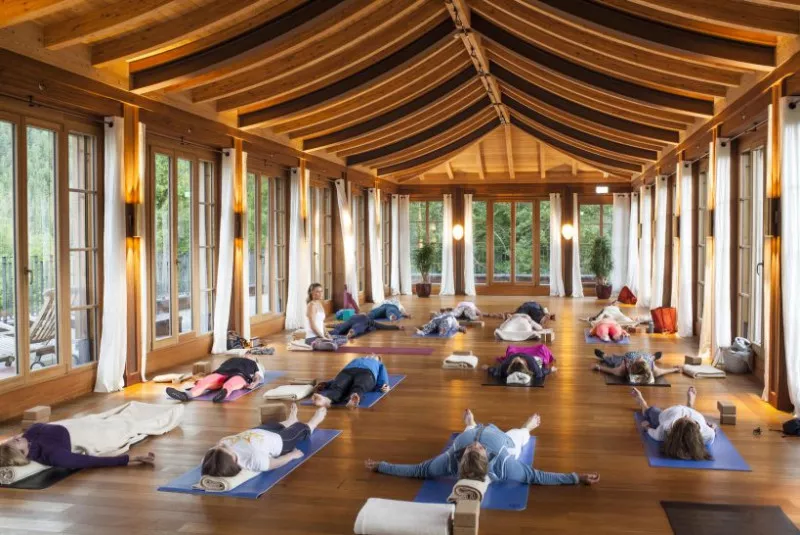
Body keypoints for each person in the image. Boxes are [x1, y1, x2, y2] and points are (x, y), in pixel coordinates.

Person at [365, 409, 599, 486]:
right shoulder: (505, 465)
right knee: (519, 435)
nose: (476, 446)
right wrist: (576, 477)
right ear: (487, 459)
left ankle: (470, 424)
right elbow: (537, 476)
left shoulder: (449, 461)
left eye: (471, 449)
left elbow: (417, 470)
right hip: (504, 440)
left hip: (473, 431)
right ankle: (527, 427)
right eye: (477, 449)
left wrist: (381, 466)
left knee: (468, 432)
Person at [0, 402, 183, 470]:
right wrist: (130, 459)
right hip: (93, 435)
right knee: (130, 424)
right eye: (16, 442)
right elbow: (91, 461)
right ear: (23, 453)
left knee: (127, 409)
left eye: (13, 439)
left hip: (82, 424)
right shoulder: (53, 455)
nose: (16, 437)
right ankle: (171, 412)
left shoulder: (30, 436)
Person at [201, 404, 327, 477]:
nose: (221, 444)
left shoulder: (215, 456)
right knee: (300, 429)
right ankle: (314, 421)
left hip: (258, 433)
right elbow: (274, 463)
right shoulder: (253, 460)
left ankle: (290, 420)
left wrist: (218, 448)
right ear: (233, 459)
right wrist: (291, 456)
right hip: (280, 443)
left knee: (273, 425)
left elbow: (209, 460)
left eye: (217, 446)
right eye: (223, 447)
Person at [631, 386, 716, 460]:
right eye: (688, 418)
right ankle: (690, 405)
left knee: (651, 411)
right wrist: (712, 427)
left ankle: (642, 403)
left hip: (667, 415)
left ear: (673, 428)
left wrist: (647, 427)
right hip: (692, 413)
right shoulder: (708, 435)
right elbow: (712, 431)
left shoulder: (665, 428)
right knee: (693, 414)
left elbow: (653, 433)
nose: (686, 416)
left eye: (683, 418)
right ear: (697, 426)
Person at [167, 355, 264, 402]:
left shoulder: (254, 364)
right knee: (205, 382)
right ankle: (186, 395)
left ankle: (222, 394)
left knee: (230, 384)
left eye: (252, 355)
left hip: (240, 375)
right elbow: (219, 368)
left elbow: (258, 377)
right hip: (221, 373)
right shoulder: (233, 359)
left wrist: (254, 383)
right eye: (247, 353)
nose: (249, 354)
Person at [312, 355, 391, 409]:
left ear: (378, 360)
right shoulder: (356, 359)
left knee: (360, 386)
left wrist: (385, 385)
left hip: (367, 373)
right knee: (338, 386)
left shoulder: (379, 364)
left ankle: (352, 399)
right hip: (347, 371)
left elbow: (383, 375)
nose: (372, 356)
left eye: (375, 356)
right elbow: (338, 379)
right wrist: (327, 384)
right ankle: (327, 400)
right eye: (371, 355)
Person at [590, 349, 679, 384]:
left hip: (624, 359)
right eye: (641, 359)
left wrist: (598, 367)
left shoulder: (622, 369)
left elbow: (611, 370)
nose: (640, 357)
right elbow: (663, 371)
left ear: (632, 364)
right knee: (651, 357)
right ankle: (654, 356)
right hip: (648, 358)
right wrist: (675, 369)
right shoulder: (652, 368)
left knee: (612, 360)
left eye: (640, 359)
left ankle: (604, 356)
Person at [304, 283, 347, 350]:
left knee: (344, 339)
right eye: (318, 292)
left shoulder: (319, 304)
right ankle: (316, 344)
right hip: (312, 338)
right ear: (312, 293)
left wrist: (327, 335)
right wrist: (322, 337)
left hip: (321, 337)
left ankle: (329, 342)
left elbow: (322, 323)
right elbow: (313, 326)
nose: (321, 293)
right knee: (333, 346)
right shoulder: (311, 305)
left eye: (321, 291)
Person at [486, 344, 557, 383]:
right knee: (542, 349)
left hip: (515, 353)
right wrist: (551, 370)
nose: (517, 358)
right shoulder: (533, 366)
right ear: (525, 364)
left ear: (510, 364)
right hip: (534, 357)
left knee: (510, 349)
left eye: (514, 361)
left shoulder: (506, 365)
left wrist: (488, 368)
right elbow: (542, 372)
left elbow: (495, 371)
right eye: (519, 361)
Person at [330, 313, 404, 339]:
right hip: (359, 321)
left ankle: (329, 333)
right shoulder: (368, 320)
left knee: (340, 327)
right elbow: (382, 326)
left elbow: (340, 324)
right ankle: (353, 332)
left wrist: (328, 325)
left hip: (352, 319)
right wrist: (396, 327)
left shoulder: (354, 316)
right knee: (358, 327)